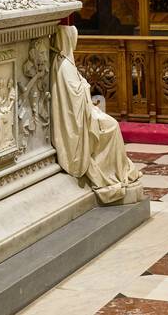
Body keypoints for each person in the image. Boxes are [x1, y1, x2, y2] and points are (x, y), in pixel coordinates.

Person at [50, 26, 142, 205]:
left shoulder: (65, 61)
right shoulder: (63, 65)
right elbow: (72, 99)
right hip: (80, 119)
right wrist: (84, 88)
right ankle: (112, 173)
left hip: (84, 111)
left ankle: (116, 170)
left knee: (112, 124)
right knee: (112, 126)